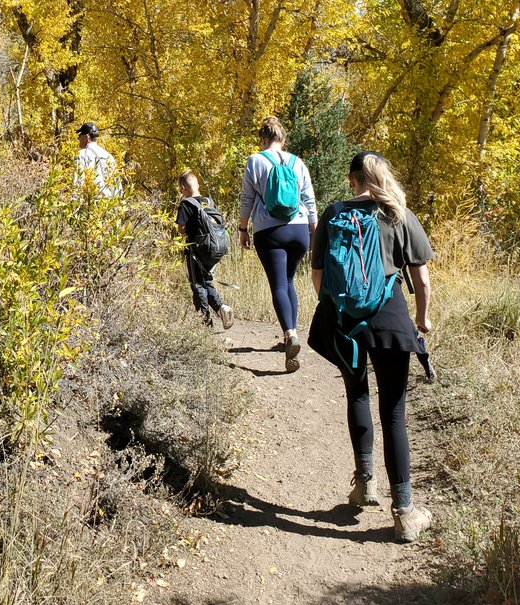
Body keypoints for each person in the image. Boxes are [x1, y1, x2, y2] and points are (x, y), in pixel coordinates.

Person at [308, 151, 434, 543]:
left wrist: (342, 311)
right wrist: (422, 318)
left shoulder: (333, 214)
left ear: (352, 180)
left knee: (356, 393)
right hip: (391, 318)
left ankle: (366, 484)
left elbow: (317, 277)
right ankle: (405, 512)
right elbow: (423, 280)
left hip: (345, 322)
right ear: (382, 176)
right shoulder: (398, 214)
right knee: (394, 412)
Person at [238, 117, 317, 372]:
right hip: (299, 230)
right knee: (290, 280)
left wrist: (242, 228)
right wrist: (314, 231)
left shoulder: (256, 161)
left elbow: (247, 199)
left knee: (279, 284)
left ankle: (290, 333)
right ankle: (289, 336)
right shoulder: (297, 162)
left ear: (263, 139)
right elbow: (309, 199)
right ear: (283, 140)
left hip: (269, 230)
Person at [176, 171, 234, 331]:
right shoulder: (209, 201)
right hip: (214, 248)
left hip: (197, 250)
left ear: (183, 188)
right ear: (197, 184)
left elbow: (181, 229)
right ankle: (221, 307)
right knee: (206, 281)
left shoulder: (186, 204)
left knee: (197, 284)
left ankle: (204, 323)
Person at [75, 122, 120, 197]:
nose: (78, 138)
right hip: (108, 203)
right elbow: (116, 184)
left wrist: (75, 201)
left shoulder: (81, 155)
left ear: (87, 137)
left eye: (80, 135)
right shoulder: (108, 156)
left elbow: (77, 180)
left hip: (89, 202)